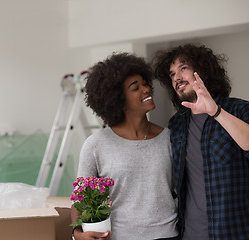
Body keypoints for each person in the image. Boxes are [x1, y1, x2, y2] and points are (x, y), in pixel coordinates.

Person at [71, 52, 178, 240]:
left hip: (168, 235)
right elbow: (80, 197)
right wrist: (76, 234)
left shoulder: (169, 138)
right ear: (118, 99)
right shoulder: (96, 145)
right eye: (135, 88)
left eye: (145, 84)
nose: (146, 89)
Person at [152, 43, 249, 240]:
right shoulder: (177, 123)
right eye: (171, 74)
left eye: (183, 68)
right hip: (189, 234)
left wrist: (216, 112)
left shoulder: (239, 110)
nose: (176, 77)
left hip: (233, 232)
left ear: (202, 70)